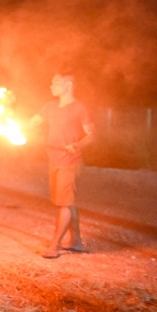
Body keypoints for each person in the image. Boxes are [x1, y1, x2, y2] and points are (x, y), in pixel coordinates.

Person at [28, 72, 95, 259]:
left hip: (70, 161)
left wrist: (77, 145)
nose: (51, 86)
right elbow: (32, 122)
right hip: (54, 159)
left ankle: (55, 245)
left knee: (64, 203)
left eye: (56, 82)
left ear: (69, 85)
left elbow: (91, 135)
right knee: (67, 201)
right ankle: (76, 242)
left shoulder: (80, 108)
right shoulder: (49, 106)